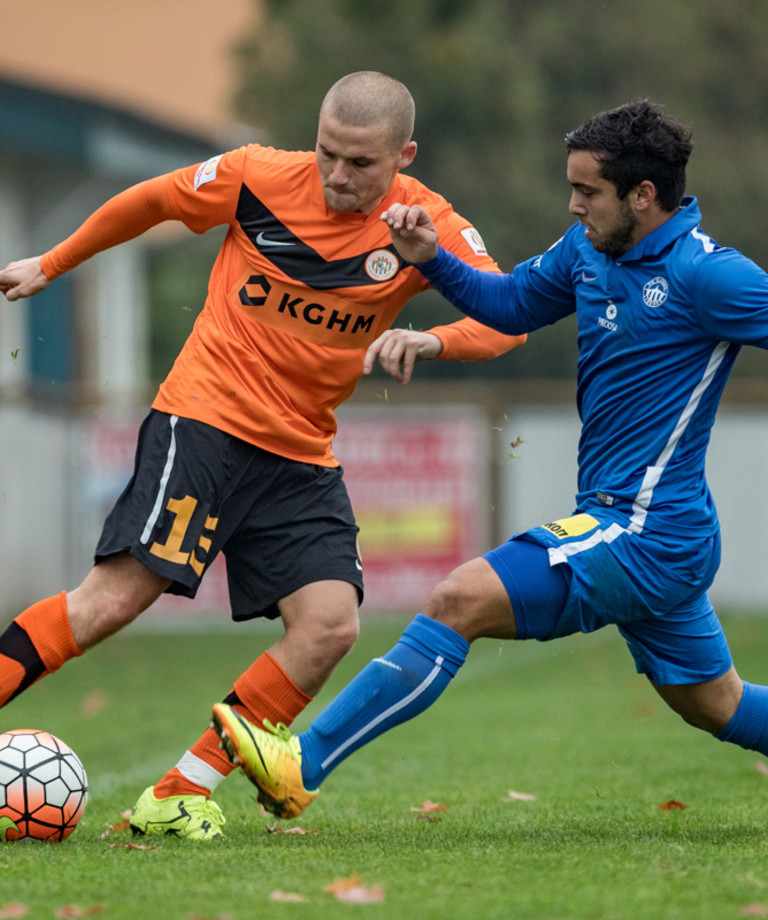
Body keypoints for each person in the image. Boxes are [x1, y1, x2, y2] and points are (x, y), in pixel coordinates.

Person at [210, 98, 768, 823]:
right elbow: (509, 305)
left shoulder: (709, 276)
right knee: (717, 706)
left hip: (645, 532)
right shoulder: (589, 253)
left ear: (645, 195)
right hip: (654, 531)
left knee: (457, 600)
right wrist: (430, 266)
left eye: (588, 192)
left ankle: (301, 763)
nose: (572, 206)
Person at [0, 71, 525, 839]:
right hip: (204, 422)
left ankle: (178, 794)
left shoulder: (428, 227)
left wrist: (430, 336)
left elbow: (506, 316)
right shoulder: (257, 177)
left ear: (404, 155)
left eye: (361, 164)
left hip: (299, 455)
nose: (339, 176)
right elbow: (151, 199)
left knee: (329, 626)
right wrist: (52, 263)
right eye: (328, 154)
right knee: (112, 601)